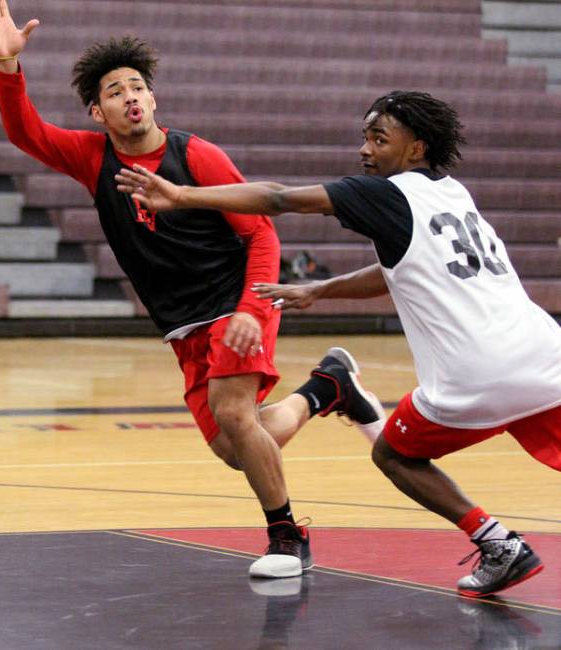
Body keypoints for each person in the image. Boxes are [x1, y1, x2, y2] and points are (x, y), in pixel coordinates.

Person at [0, 0, 384, 579]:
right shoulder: (93, 158)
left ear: (154, 98)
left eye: (137, 86)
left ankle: (287, 539)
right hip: (183, 324)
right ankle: (329, 388)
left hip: (238, 300)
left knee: (233, 411)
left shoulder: (195, 155)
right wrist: (7, 66)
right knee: (234, 446)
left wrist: (251, 308)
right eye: (116, 91)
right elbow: (25, 132)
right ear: (98, 111)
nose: (130, 97)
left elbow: (262, 235)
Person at [116, 90, 561, 597]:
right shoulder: (452, 192)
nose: (365, 150)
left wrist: (183, 196)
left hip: (480, 374)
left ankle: (499, 544)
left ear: (416, 148)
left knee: (394, 454)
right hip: (546, 357)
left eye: (379, 139)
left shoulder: (384, 194)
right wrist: (320, 289)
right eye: (364, 138)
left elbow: (280, 198)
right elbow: (400, 268)